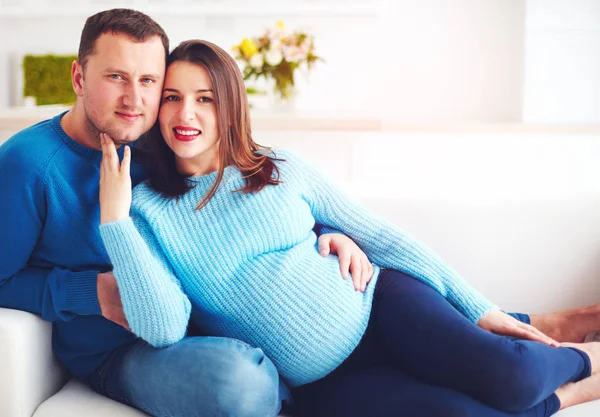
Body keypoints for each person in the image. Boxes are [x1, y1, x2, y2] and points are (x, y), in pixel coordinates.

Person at [97, 38, 600, 417]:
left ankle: (585, 359)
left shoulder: (279, 167)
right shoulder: (144, 213)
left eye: (205, 98)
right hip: (324, 385)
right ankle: (577, 383)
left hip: (380, 306)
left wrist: (481, 309)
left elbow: (383, 238)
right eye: (172, 97)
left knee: (510, 377)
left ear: (229, 108)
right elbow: (162, 328)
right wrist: (116, 222)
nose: (186, 114)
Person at [0, 9, 375, 417]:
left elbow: (248, 196)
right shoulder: (27, 164)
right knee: (238, 382)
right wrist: (90, 291)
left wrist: (326, 231)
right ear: (78, 78)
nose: (134, 99)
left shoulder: (160, 139)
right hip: (124, 350)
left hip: (212, 321)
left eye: (148, 82)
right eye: (116, 78)